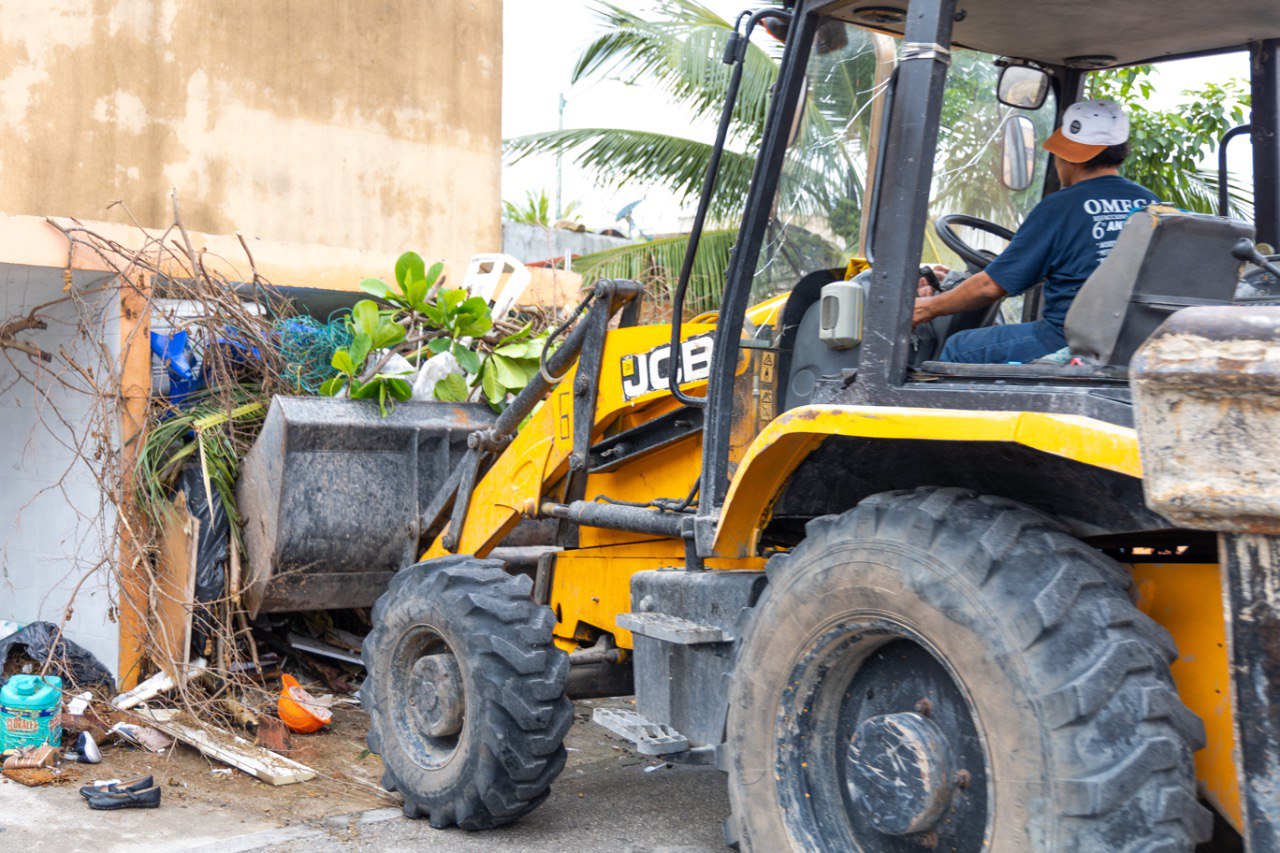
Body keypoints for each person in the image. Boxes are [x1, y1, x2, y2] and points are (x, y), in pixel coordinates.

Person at [913, 99, 1159, 364]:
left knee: (960, 347)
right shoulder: (1150, 202)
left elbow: (989, 287)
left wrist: (928, 308)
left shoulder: (1060, 207)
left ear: (1067, 155)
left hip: (1069, 339)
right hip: (1133, 341)